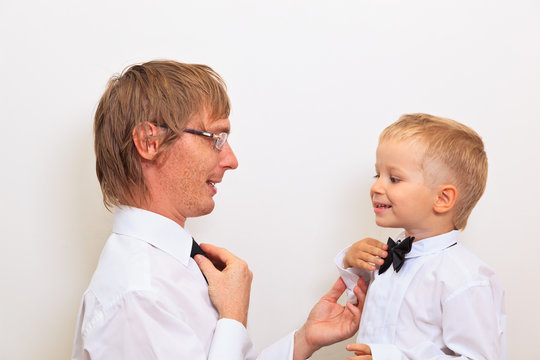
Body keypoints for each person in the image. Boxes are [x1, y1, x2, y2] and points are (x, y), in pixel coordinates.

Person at [72, 60, 367, 360]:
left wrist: (305, 339)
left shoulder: (168, 269)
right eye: (215, 138)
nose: (231, 159)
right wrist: (233, 318)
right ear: (150, 141)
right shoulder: (137, 295)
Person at [335, 114, 506, 359]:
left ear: (442, 198)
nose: (376, 187)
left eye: (394, 179)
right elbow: (361, 311)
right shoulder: (389, 258)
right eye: (377, 175)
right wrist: (351, 263)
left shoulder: (466, 279)